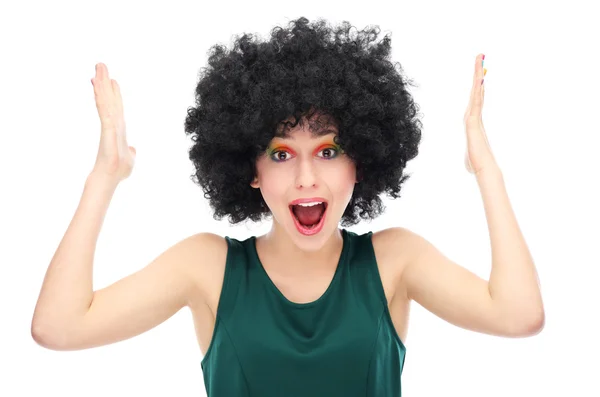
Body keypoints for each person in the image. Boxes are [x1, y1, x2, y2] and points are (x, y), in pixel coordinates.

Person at [31, 16, 544, 396]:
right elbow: (58, 326)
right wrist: (106, 176)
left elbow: (519, 315)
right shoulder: (207, 267)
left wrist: (487, 172)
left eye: (328, 150)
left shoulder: (394, 262)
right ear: (252, 170)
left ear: (359, 162)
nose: (305, 177)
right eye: (281, 153)